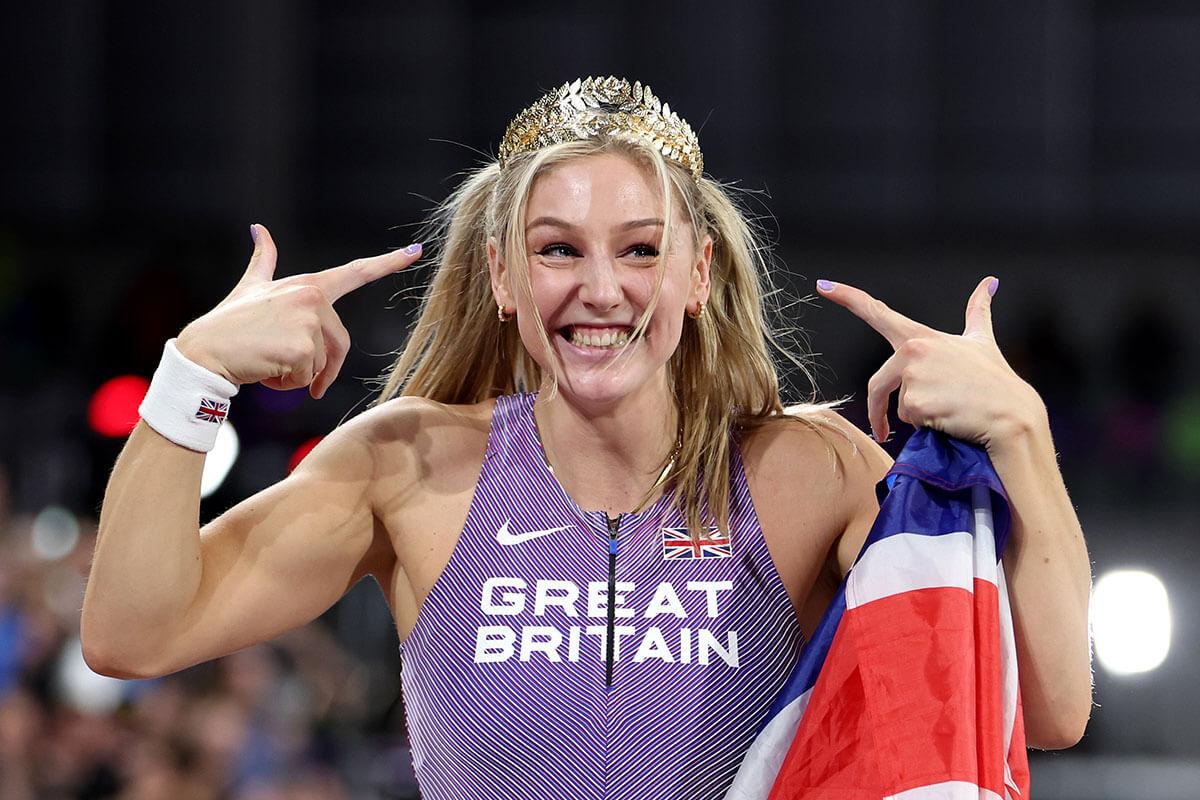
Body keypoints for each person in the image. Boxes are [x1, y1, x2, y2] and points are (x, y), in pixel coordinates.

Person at [81, 77, 1093, 799]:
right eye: (558, 248)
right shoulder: (407, 464)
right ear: (504, 278)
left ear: (696, 274)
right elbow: (135, 630)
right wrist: (192, 373)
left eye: (639, 250)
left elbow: (1044, 709)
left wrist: (1024, 437)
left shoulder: (806, 472)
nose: (599, 288)